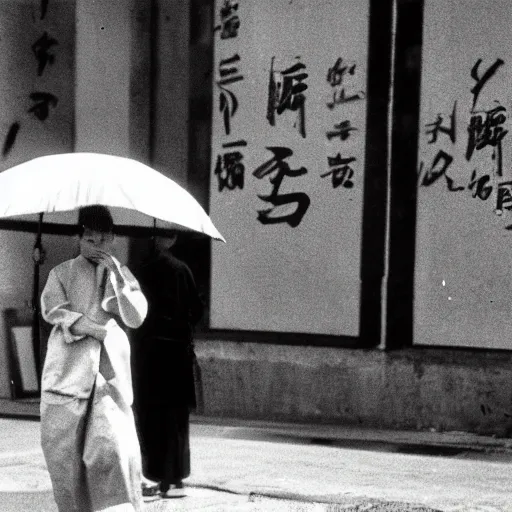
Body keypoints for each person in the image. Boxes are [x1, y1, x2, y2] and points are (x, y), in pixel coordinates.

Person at [39, 205, 148, 512]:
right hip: (68, 370)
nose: (96, 246)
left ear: (112, 238)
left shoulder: (120, 273)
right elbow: (53, 309)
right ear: (79, 238)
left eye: (103, 239)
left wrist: (115, 275)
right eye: (89, 238)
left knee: (113, 449)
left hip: (107, 374)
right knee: (65, 455)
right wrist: (88, 327)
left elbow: (137, 315)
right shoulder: (61, 272)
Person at [133, 233, 203, 499]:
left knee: (148, 415)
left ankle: (149, 479)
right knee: (175, 418)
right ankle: (173, 481)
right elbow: (195, 310)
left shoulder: (138, 270)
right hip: (176, 352)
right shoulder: (181, 269)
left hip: (146, 351)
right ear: (172, 239)